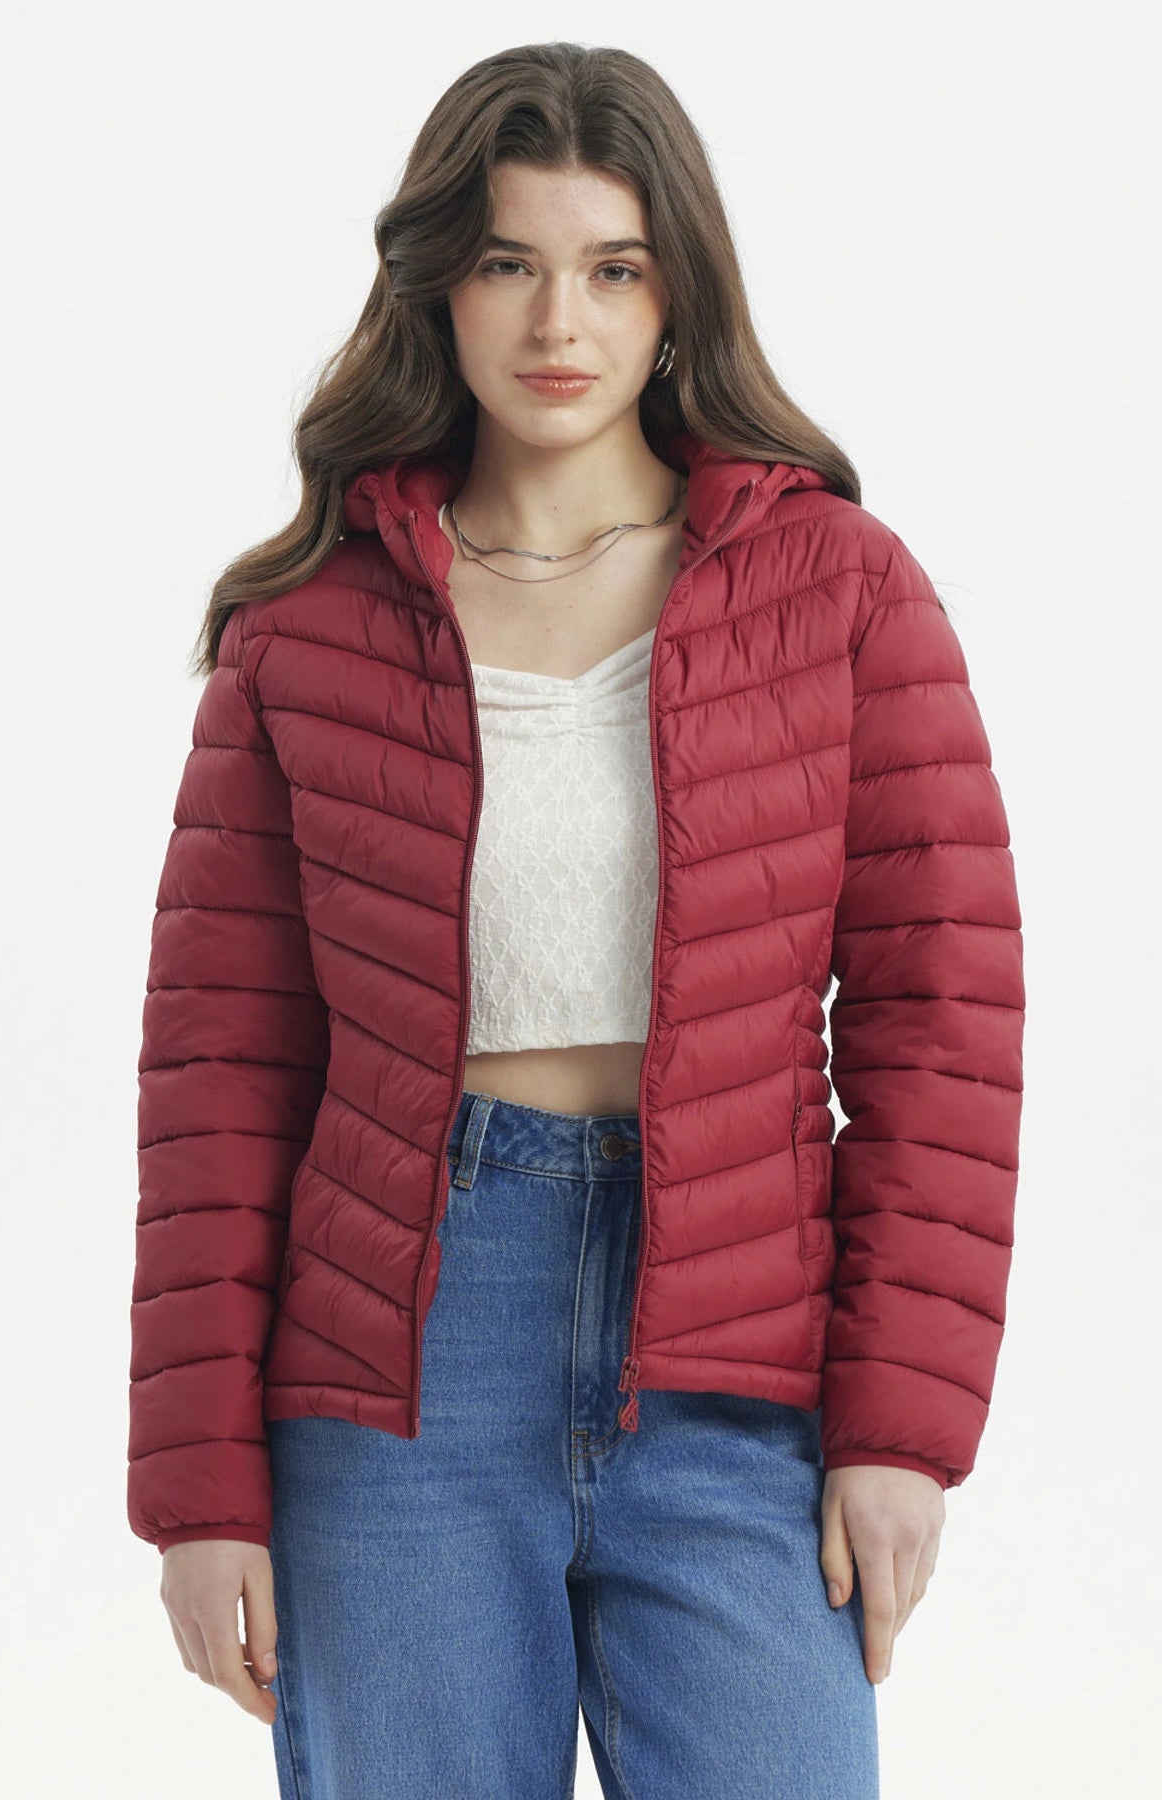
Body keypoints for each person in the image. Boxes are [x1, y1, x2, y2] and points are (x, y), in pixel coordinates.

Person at [126, 41, 1025, 1800]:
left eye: (613, 268)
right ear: (439, 290)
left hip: (744, 1357)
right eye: (509, 264)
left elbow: (944, 1025)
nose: (561, 322)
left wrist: (904, 1427)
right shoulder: (305, 631)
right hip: (398, 1371)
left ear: (677, 294)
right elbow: (219, 1072)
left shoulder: (840, 590)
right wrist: (201, 1489)